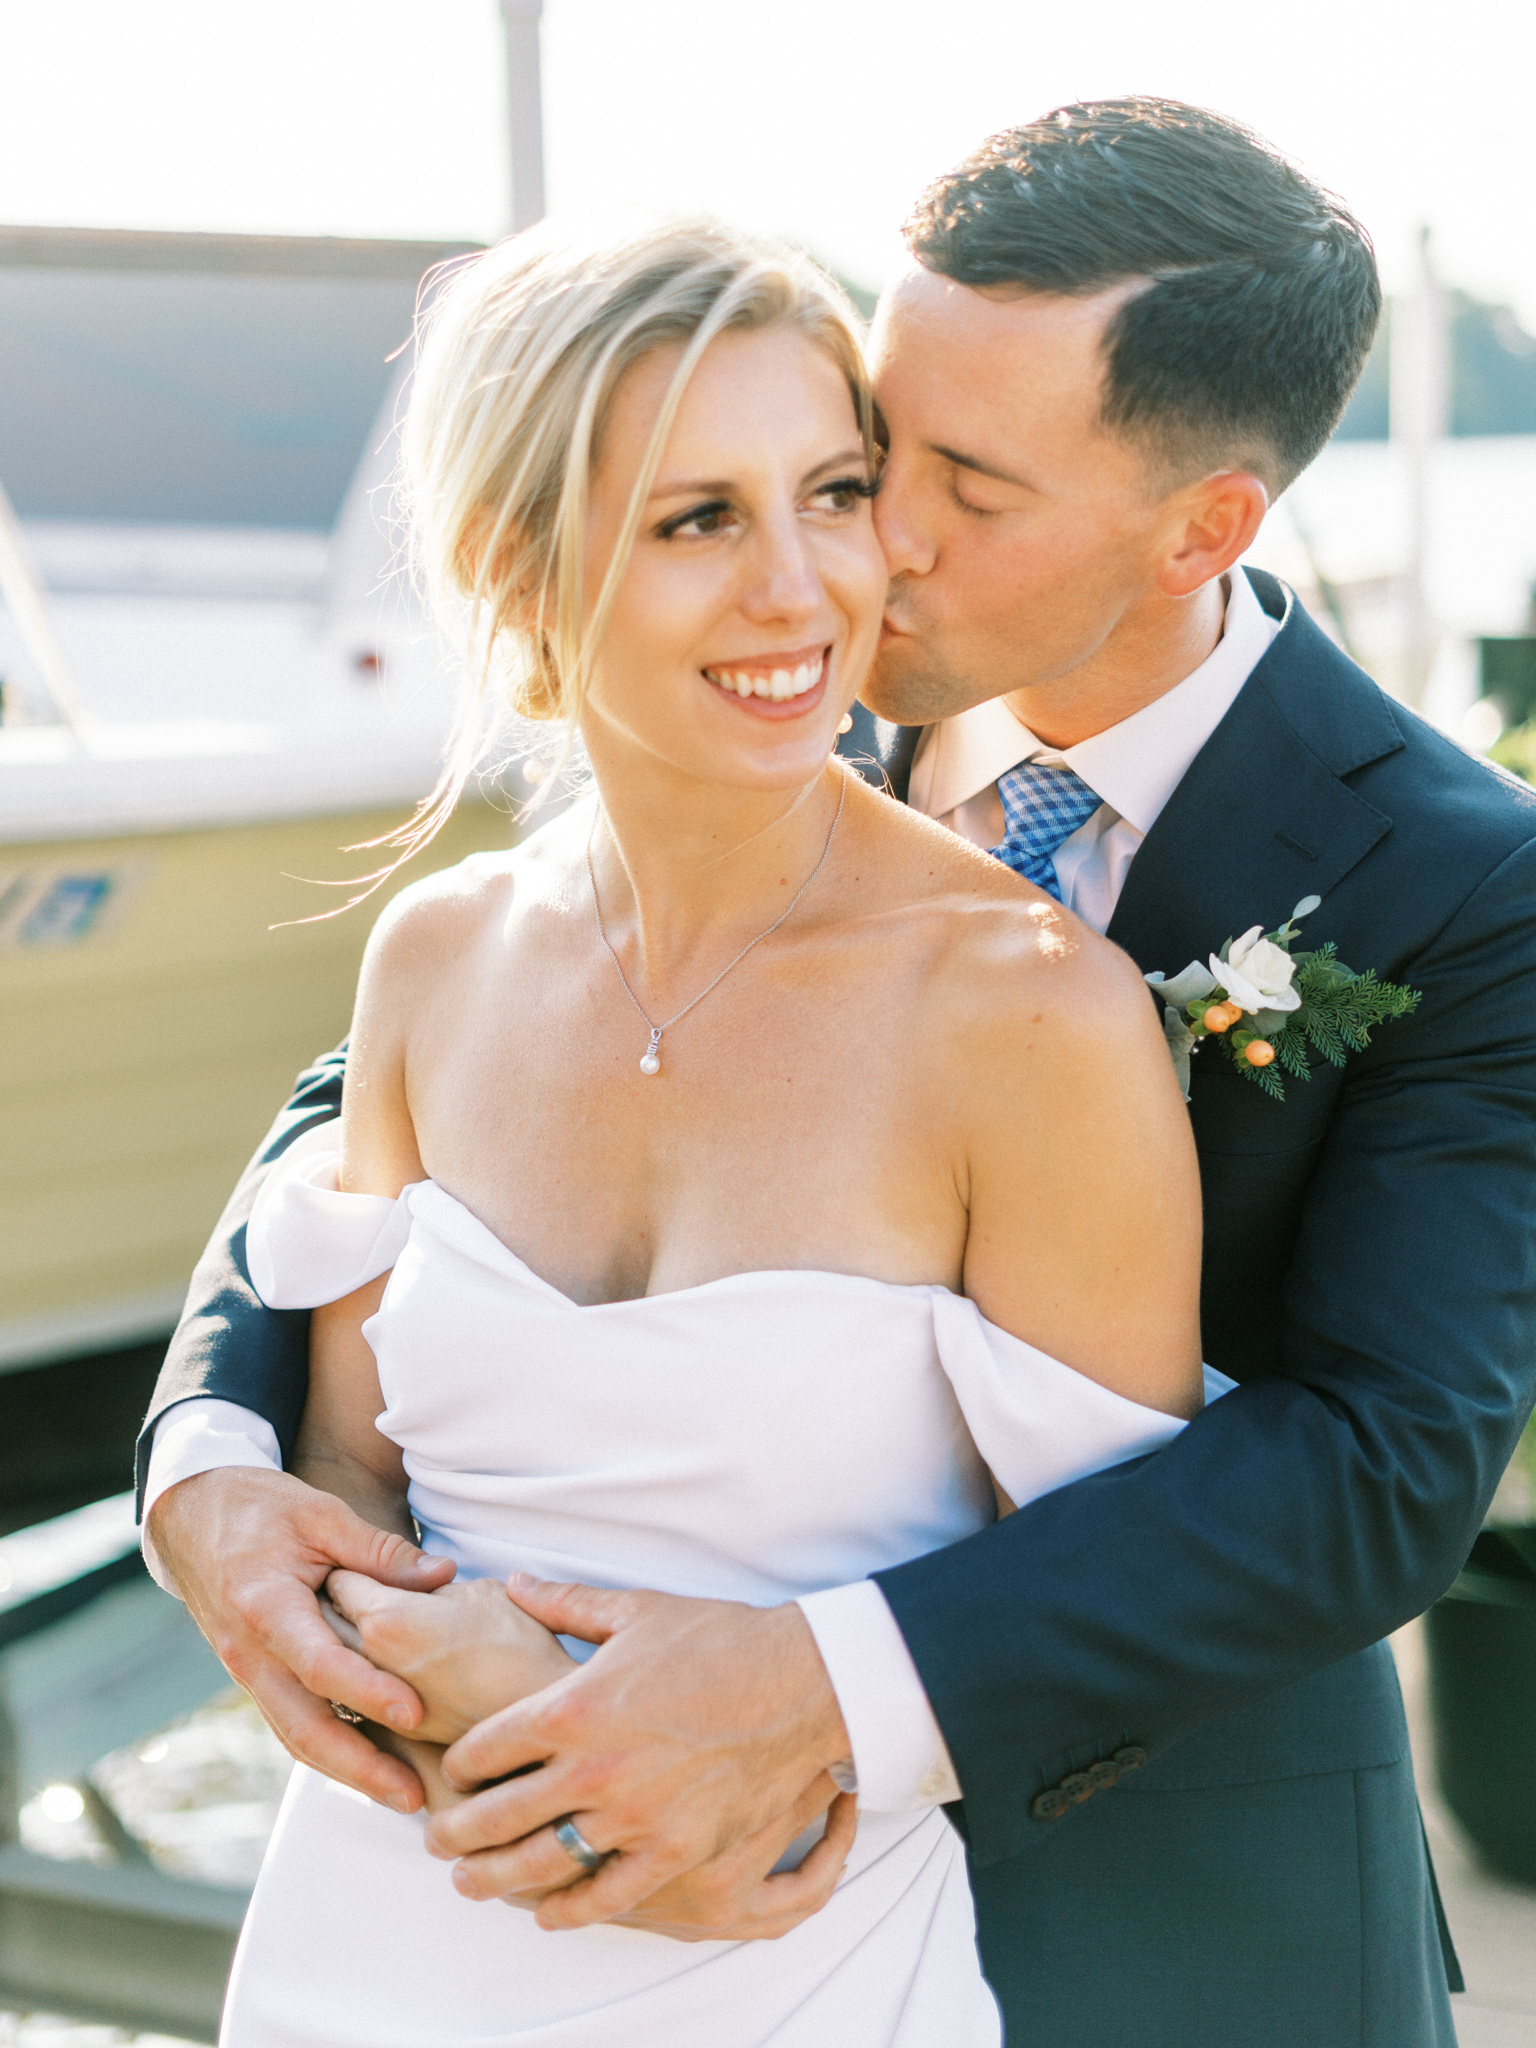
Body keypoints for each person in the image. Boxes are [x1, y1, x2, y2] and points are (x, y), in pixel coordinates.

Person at [140, 100, 1536, 2046]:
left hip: (1163, 1899)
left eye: (953, 483)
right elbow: (362, 1121)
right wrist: (208, 1459)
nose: (863, 552)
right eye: (877, 446)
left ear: (1199, 527)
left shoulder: (1460, 881)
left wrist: (813, 1688)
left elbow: (1385, 1474)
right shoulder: (755, 730)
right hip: (478, 1902)